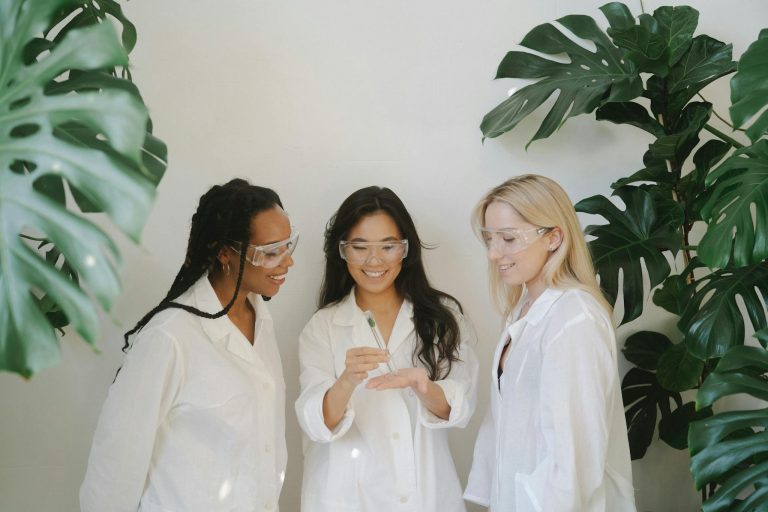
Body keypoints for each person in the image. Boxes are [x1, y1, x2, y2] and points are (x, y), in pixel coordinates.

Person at [80, 178, 297, 512]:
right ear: (225, 252)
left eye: (287, 246)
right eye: (270, 252)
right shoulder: (169, 337)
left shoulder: (261, 322)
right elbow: (115, 465)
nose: (287, 262)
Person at [295, 186, 478, 512]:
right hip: (347, 499)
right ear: (342, 251)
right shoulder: (323, 326)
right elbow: (316, 423)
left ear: (406, 249)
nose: (374, 260)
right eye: (360, 247)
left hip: (425, 497)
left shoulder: (442, 318)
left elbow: (460, 407)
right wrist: (346, 381)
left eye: (388, 246)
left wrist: (424, 385)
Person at [464, 175, 635, 511]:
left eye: (509, 239)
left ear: (554, 237)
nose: (494, 254)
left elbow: (576, 460)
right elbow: (504, 425)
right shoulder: (523, 311)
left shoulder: (574, 319)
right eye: (489, 239)